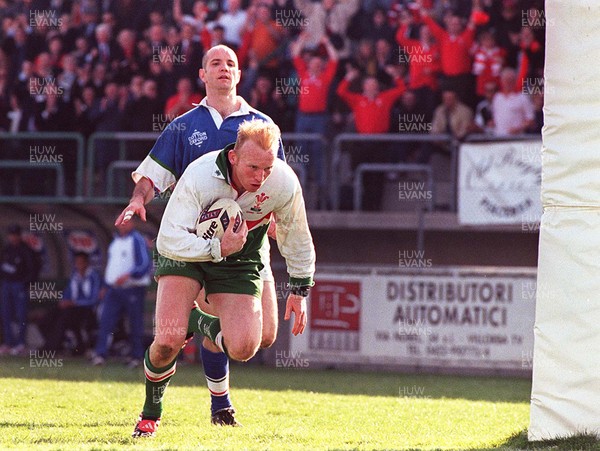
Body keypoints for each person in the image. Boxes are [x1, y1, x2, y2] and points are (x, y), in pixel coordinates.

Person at [115, 44, 285, 427]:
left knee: (265, 337)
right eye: (215, 63)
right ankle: (175, 409)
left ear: (239, 75)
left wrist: (279, 219)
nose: (224, 68)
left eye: (231, 64)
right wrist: (138, 199)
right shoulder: (183, 126)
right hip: (192, 244)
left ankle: (216, 385)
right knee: (167, 341)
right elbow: (152, 175)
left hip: (246, 246)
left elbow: (281, 184)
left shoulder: (262, 125)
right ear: (202, 75)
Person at [132, 119, 315, 438]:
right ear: (233, 157)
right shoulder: (201, 175)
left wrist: (300, 288)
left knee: (245, 346)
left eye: (267, 169)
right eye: (253, 167)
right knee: (167, 342)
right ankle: (150, 414)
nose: (261, 178)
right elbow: (168, 240)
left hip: (239, 256)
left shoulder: (282, 182)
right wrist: (216, 245)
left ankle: (197, 321)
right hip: (186, 250)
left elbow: (296, 236)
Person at [92, 219, 150, 367]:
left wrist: (129, 275)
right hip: (113, 289)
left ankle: (136, 357)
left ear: (132, 223)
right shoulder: (115, 242)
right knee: (106, 320)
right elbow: (112, 266)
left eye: (126, 222)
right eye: (120, 222)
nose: (122, 225)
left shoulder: (137, 239)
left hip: (132, 288)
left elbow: (144, 264)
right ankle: (100, 354)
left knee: (135, 323)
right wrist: (105, 285)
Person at [45, 252, 102, 355]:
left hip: (87, 309)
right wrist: (63, 301)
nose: (78, 265)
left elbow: (94, 299)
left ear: (86, 263)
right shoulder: (74, 276)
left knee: (65, 317)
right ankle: (53, 344)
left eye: (80, 262)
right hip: (72, 307)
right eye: (76, 263)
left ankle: (52, 348)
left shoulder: (94, 276)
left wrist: (74, 303)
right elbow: (68, 292)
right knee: (48, 317)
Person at [0, 225, 35, 356]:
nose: (13, 237)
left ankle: (21, 343)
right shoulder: (7, 249)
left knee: (21, 315)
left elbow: (33, 270)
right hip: (6, 285)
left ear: (20, 235)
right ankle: (9, 343)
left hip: (19, 286)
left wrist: (25, 283)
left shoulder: (26, 250)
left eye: (15, 234)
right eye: (11, 234)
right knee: (5, 314)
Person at [491, 67, 534, 136]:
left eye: (511, 80)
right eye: (506, 80)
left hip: (516, 138)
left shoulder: (523, 98)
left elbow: (530, 120)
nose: (508, 83)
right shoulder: (497, 98)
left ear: (515, 81)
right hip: (498, 137)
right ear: (502, 81)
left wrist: (519, 128)